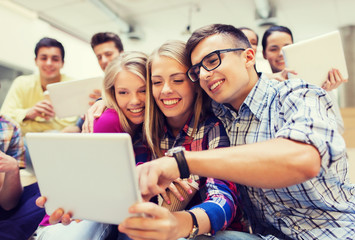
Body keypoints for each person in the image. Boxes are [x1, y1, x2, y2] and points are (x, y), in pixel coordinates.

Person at [128, 24, 355, 240]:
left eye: (213, 60)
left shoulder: (300, 94)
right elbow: (144, 98)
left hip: (333, 231)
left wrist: (179, 162)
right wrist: (104, 104)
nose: (205, 74)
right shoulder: (217, 112)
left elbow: (302, 159)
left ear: (248, 57)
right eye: (197, 70)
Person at [118, 40, 240, 240]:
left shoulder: (213, 129)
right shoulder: (146, 131)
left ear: (195, 84)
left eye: (177, 80)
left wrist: (181, 222)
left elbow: (224, 198)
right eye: (157, 82)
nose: (165, 90)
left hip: (201, 230)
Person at [35, 51, 149, 240]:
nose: (135, 100)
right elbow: (96, 188)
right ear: (113, 93)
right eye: (123, 92)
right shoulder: (109, 120)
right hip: (78, 214)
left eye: (143, 90)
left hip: (115, 209)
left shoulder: (154, 123)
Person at [261, 25, 346, 133]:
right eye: (274, 49)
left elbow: (338, 127)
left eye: (286, 47)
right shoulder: (263, 87)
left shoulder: (314, 82)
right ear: (264, 54)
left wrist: (323, 93)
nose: (281, 53)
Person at [0, 37, 78, 135]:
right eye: (43, 58)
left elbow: (71, 124)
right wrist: (28, 113)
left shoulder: (72, 85)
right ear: (36, 61)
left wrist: (25, 124)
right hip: (24, 142)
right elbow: (4, 118)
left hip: (60, 142)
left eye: (55, 59)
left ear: (62, 63)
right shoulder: (22, 83)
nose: (49, 63)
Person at [62, 32, 124, 133]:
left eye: (108, 54)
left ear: (121, 53)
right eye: (99, 57)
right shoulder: (97, 88)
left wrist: (108, 100)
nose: (103, 60)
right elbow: (79, 127)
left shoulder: (134, 81)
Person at [0, 114, 45, 239]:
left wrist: (12, 168)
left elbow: (7, 204)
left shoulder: (8, 127)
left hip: (5, 210)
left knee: (50, 190)